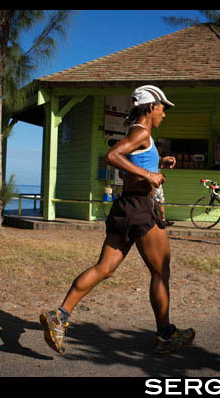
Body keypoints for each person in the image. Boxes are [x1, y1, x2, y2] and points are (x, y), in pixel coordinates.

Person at [40, 85, 195, 356]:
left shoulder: (135, 132)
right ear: (151, 107)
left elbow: (130, 166)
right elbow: (113, 157)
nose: (164, 115)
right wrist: (149, 176)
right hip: (141, 209)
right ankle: (166, 336)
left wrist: (157, 168)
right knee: (161, 272)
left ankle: (59, 316)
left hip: (124, 207)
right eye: (163, 109)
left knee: (104, 268)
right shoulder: (142, 131)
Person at [153, 142, 174, 227]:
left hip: (158, 183)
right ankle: (159, 220)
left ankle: (163, 219)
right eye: (159, 148)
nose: (161, 150)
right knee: (156, 202)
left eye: (161, 149)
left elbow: (159, 168)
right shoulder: (154, 157)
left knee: (161, 201)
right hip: (154, 183)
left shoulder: (158, 157)